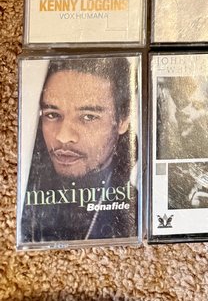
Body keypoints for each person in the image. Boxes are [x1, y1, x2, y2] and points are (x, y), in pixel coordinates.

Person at [19, 56, 138, 244]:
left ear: (123, 120)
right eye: (52, 115)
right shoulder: (19, 181)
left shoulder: (140, 206)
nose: (63, 137)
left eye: (88, 117)